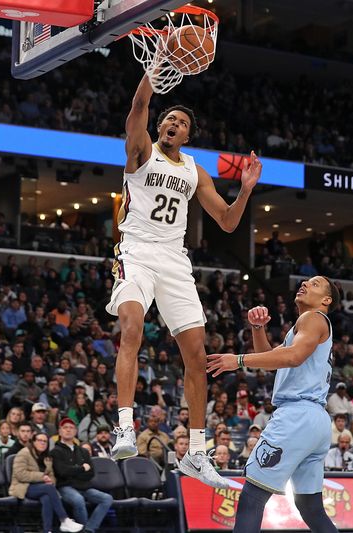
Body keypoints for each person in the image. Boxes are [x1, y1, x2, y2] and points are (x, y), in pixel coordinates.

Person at [107, 72, 262, 491]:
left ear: (189, 136)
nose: (174, 125)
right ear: (159, 126)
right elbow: (138, 107)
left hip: (175, 261)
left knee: (197, 357)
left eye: (182, 123)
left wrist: (245, 190)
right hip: (136, 252)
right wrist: (151, 75)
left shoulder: (195, 172)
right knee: (132, 329)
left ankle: (196, 453)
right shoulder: (140, 151)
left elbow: (228, 223)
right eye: (169, 119)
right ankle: (124, 427)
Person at [207, 276, 341, 533]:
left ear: (326, 300)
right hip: (315, 421)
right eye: (305, 281)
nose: (304, 284)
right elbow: (274, 359)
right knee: (311, 508)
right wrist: (258, 329)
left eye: (314, 284)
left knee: (252, 499)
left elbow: (292, 357)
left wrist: (238, 360)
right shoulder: (306, 327)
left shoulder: (312, 318)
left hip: (296, 416)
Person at [8, 433, 83, 533]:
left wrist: (51, 481)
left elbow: (51, 475)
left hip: (41, 488)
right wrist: (42, 477)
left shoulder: (47, 457)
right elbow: (20, 474)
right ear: (33, 442)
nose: (42, 443)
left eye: (45, 441)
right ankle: (64, 520)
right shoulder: (24, 453)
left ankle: (47, 530)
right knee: (48, 489)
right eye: (39, 440)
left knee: (47, 497)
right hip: (23, 487)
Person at [50, 418, 113, 533]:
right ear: (60, 431)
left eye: (71, 428)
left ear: (75, 432)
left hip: (84, 486)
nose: (68, 430)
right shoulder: (55, 451)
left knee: (107, 499)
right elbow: (62, 472)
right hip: (65, 487)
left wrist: (74, 472)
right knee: (78, 500)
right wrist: (81, 468)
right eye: (65, 428)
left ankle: (88, 529)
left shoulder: (83, 451)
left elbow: (90, 473)